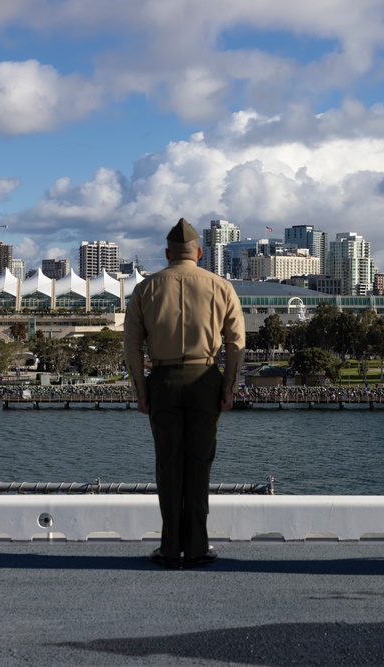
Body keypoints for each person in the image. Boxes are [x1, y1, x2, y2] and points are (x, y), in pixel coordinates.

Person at [123, 218, 246, 569]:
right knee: (199, 465)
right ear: (199, 252)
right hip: (205, 378)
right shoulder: (220, 286)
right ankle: (196, 548)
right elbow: (237, 343)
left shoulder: (146, 288)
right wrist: (229, 387)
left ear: (167, 254)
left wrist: (140, 389)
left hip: (161, 380)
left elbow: (131, 345)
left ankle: (169, 548)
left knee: (168, 464)